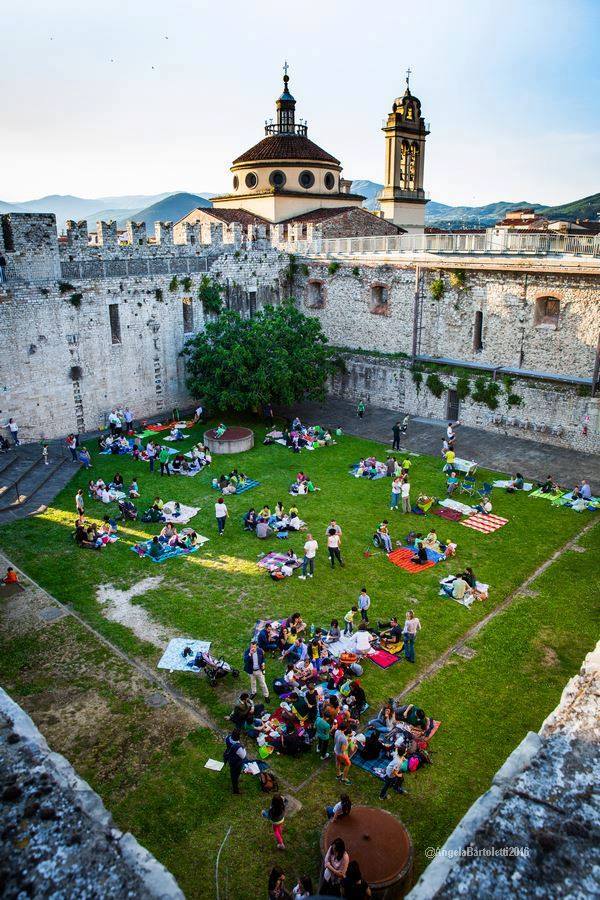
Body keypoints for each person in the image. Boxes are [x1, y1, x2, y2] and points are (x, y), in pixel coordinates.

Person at [224, 728, 247, 795]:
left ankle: (237, 779)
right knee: (234, 774)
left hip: (230, 758)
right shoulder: (238, 747)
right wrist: (244, 749)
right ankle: (235, 790)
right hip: (235, 762)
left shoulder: (228, 737)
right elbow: (243, 756)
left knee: (235, 772)